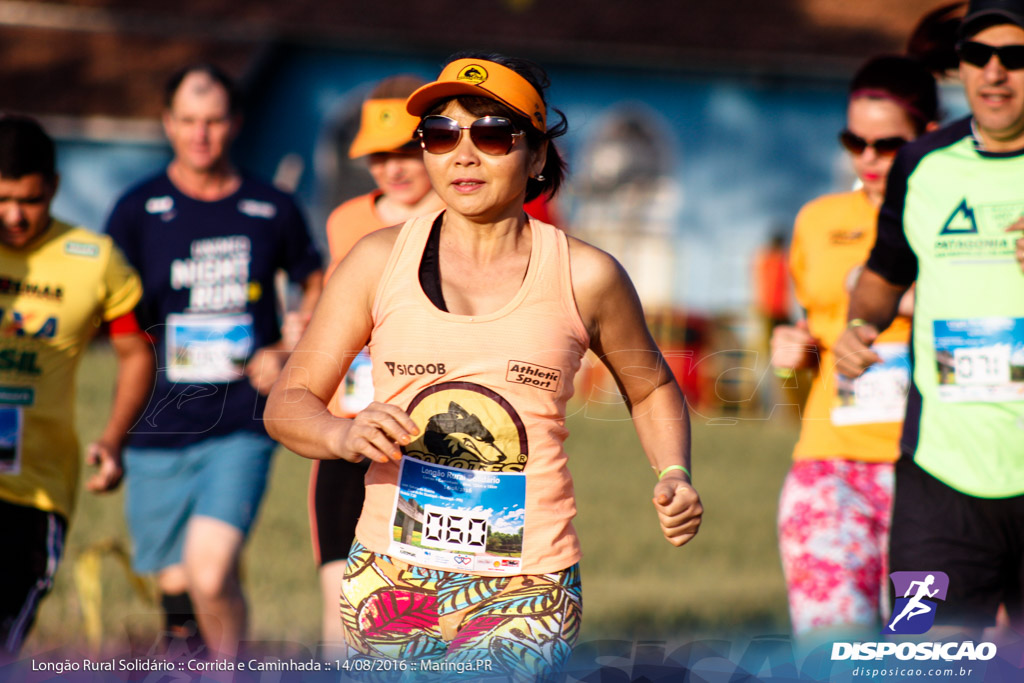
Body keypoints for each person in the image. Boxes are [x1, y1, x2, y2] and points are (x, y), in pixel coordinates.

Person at [265, 52, 702, 678]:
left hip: (528, 580)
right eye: (441, 135)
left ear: (538, 155)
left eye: (493, 134)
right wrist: (341, 431)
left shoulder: (588, 274)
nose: (463, 154)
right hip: (391, 571)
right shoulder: (375, 259)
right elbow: (290, 402)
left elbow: (653, 385)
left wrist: (675, 471)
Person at [105, 63, 323, 658]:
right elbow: (110, 310)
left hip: (242, 420)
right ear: (168, 124)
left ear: (236, 124)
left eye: (215, 121)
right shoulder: (136, 209)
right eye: (189, 121)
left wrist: (288, 347)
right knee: (177, 588)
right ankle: (192, 663)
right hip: (156, 424)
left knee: (208, 570)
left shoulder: (270, 207)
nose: (202, 134)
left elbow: (318, 280)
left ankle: (232, 673)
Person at [834, 0, 1024, 635]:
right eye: (978, 56)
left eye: (1015, 57)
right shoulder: (922, 164)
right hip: (938, 477)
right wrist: (861, 325)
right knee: (922, 657)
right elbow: (886, 273)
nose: (995, 73)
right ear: (960, 66)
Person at [771, 55, 940, 645]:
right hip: (829, 463)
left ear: (929, 135)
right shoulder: (818, 222)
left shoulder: (955, 217)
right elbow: (811, 346)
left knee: (929, 654)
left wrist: (901, 299)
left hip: (937, 469)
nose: (866, 159)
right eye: (854, 141)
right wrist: (791, 358)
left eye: (887, 145)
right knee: (831, 647)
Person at [0, 115, 152, 659]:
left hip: (34, 488)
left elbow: (136, 353)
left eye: (30, 200)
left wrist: (113, 438)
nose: (14, 215)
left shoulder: (95, 260)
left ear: (54, 188)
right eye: (2, 199)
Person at [311, 74, 444, 657]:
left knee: (420, 602)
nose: (393, 168)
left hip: (429, 434)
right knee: (336, 587)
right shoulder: (345, 221)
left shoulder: (465, 218)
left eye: (406, 151)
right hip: (351, 427)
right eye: (378, 155)